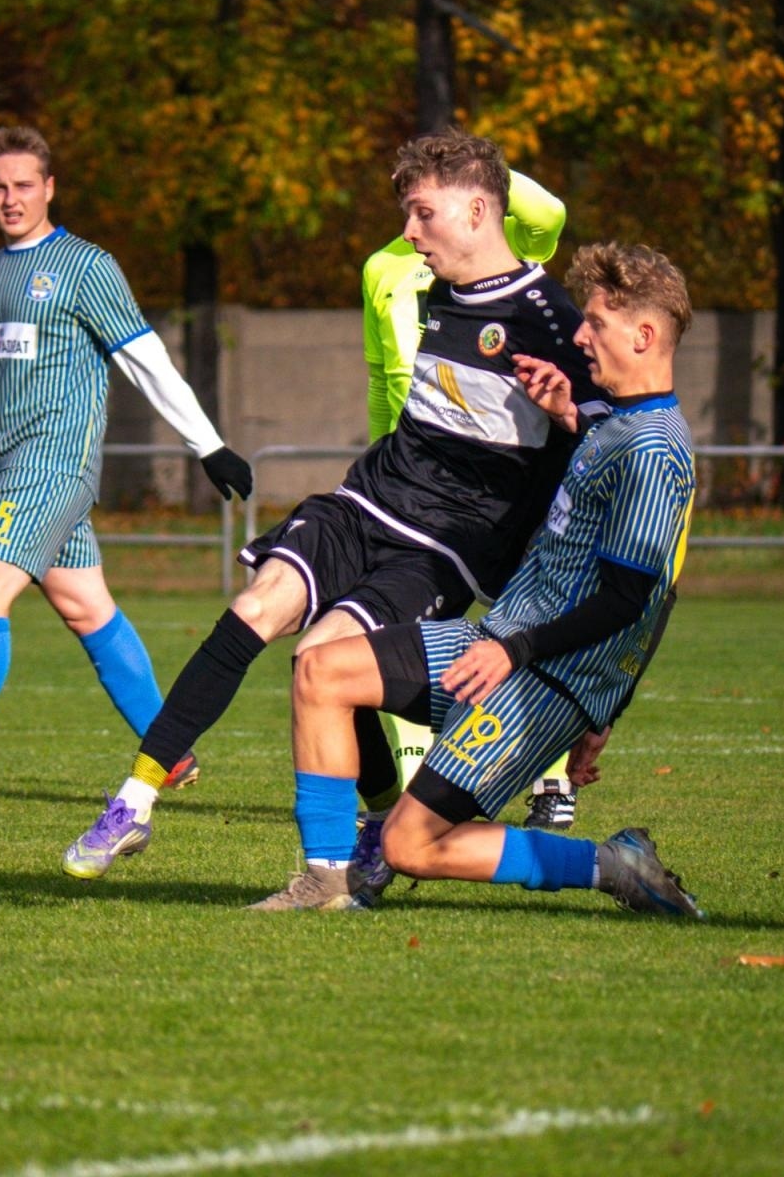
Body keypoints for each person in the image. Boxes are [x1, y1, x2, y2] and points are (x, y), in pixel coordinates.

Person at [62, 129, 607, 879]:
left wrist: (572, 419)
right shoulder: (441, 285)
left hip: (444, 548)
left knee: (322, 661)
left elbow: (611, 449)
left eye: (423, 214)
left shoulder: (550, 317)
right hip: (368, 497)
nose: (409, 234)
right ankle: (134, 802)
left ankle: (373, 834)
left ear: (481, 211)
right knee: (256, 609)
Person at [250, 241, 699, 913]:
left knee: (413, 847)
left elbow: (634, 599)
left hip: (541, 682)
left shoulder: (657, 451)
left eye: (596, 324)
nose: (581, 335)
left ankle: (610, 863)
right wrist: (569, 417)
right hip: (497, 644)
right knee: (319, 670)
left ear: (644, 335)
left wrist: (591, 701)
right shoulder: (616, 422)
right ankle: (328, 882)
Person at [0, 126, 252, 792]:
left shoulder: (85, 266)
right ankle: (172, 753)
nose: (10, 198)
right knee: (85, 606)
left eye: (23, 185)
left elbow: (145, 358)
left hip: (55, 466)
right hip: (15, 464)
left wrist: (209, 445)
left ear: (49, 188)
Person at [360, 169, 600, 835]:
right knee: (390, 636)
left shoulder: (505, 245)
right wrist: (389, 453)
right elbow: (386, 374)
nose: (416, 223)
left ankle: (548, 780)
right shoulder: (383, 266)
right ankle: (412, 789)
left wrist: (478, 163)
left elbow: (549, 207)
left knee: (519, 625)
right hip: (418, 479)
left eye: (427, 203)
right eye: (410, 203)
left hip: (508, 475)